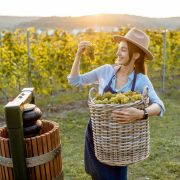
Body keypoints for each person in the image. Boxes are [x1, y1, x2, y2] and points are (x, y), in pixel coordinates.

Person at [67, 27, 165, 180]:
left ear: (136, 55)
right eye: (118, 49)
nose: (118, 53)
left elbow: (159, 106)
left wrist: (141, 114)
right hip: (97, 135)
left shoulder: (140, 80)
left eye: (124, 50)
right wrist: (78, 55)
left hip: (120, 141)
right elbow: (75, 81)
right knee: (98, 176)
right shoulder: (106, 71)